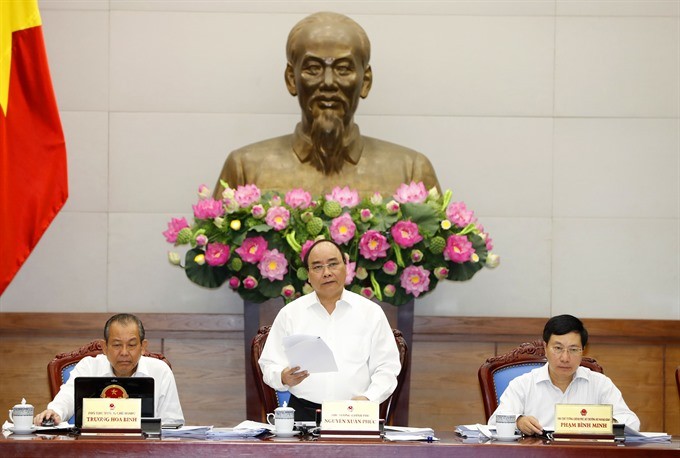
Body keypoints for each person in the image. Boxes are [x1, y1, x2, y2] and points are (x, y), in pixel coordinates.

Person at [214, 12, 440, 198]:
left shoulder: (410, 171)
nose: (329, 83)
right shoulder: (245, 168)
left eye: (343, 69)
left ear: (365, 82)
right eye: (313, 68)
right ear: (292, 79)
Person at [258, 239, 401, 421]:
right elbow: (269, 364)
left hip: (355, 414)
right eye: (317, 267)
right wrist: (283, 377)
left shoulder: (370, 313)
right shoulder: (290, 314)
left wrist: (368, 399)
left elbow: (387, 367)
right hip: (303, 414)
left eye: (333, 264)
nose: (326, 273)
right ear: (308, 276)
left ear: (346, 268)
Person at [489, 314, 640, 433]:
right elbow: (495, 421)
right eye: (558, 348)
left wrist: (602, 422)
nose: (565, 358)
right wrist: (518, 421)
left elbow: (632, 422)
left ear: (583, 350)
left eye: (573, 350)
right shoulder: (523, 384)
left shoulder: (600, 384)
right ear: (545, 347)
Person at [34, 313, 184, 426]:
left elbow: (172, 423)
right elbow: (66, 398)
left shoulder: (160, 371)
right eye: (117, 345)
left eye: (131, 345)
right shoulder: (88, 367)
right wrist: (54, 413)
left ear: (143, 347)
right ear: (104, 347)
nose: (124, 352)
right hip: (93, 449)